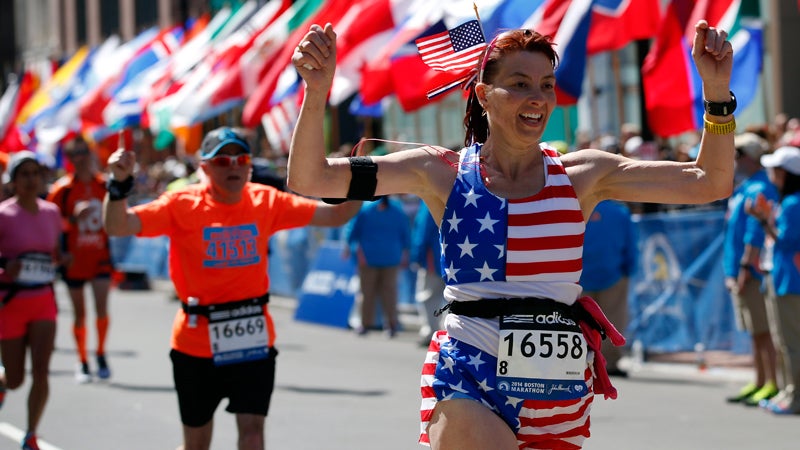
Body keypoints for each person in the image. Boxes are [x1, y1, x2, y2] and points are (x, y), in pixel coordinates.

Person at [288, 20, 735, 449]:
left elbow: (708, 182)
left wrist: (716, 96)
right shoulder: (439, 171)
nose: (537, 97)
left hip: (559, 391)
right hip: (469, 371)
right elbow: (312, 178)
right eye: (519, 83)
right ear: (484, 94)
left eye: (546, 85)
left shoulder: (585, 174)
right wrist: (317, 93)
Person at [102, 126, 361, 450]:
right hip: (195, 343)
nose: (234, 166)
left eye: (241, 159)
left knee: (252, 435)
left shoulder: (264, 199)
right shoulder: (180, 203)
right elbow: (118, 226)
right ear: (205, 167)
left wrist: (359, 178)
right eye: (223, 160)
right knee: (197, 443)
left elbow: (335, 216)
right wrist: (119, 185)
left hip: (252, 338)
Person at [0, 151, 63, 450]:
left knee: (41, 369)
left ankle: (31, 434)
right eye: (23, 173)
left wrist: (63, 258)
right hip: (10, 303)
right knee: (15, 380)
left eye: (35, 173)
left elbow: (54, 253)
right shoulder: (3, 214)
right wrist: (5, 267)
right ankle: (3, 384)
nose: (30, 179)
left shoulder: (51, 212)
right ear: (12, 181)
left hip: (43, 300)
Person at [47, 136, 115, 383]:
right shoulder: (61, 190)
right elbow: (49, 226)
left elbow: (118, 217)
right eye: (74, 154)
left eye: (83, 152)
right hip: (74, 260)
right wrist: (72, 219)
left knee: (101, 309)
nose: (80, 158)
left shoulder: (104, 185)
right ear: (69, 159)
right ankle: (82, 359)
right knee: (80, 313)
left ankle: (101, 353)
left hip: (100, 257)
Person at [722, 132, 779, 405]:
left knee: (764, 331)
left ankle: (772, 383)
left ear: (749, 157)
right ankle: (759, 381)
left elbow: (754, 233)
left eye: (737, 155)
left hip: (752, 273)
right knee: (755, 332)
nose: (734, 161)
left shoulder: (759, 188)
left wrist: (744, 268)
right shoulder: (745, 188)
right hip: (740, 271)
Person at [746, 145, 800, 415]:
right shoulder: (789, 202)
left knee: (791, 344)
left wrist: (764, 220)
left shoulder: (792, 203)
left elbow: (787, 241)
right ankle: (788, 392)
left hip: (790, 281)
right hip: (783, 279)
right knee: (785, 343)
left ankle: (795, 397)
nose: (772, 174)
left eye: (777, 170)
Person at [579, 199, 636, 377]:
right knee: (613, 320)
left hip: (580, 275)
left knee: (580, 321)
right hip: (613, 275)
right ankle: (609, 363)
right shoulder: (620, 212)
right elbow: (631, 244)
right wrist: (629, 269)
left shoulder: (579, 204)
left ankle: (579, 361)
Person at [344, 194, 410, 337]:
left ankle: (365, 324)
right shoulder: (397, 209)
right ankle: (391, 324)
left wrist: (348, 246)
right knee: (390, 292)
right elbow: (405, 233)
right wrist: (405, 252)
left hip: (368, 256)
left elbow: (353, 230)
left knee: (367, 292)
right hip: (392, 256)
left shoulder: (366, 208)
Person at [410, 201, 446, 346]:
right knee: (455, 299)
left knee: (428, 296)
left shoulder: (430, 198)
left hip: (434, 257)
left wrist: (418, 255)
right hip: (458, 259)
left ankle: (431, 333)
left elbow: (423, 229)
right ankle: (450, 334)